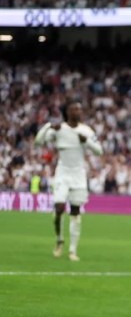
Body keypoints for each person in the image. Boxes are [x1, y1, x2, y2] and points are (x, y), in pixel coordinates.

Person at [33, 100, 104, 262]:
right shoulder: (60, 129)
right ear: (67, 112)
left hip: (79, 175)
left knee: (75, 211)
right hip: (62, 173)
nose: (77, 112)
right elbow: (38, 142)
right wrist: (48, 126)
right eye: (74, 109)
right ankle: (59, 240)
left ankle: (72, 250)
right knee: (59, 208)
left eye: (79, 109)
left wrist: (86, 141)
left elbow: (99, 151)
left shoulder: (86, 131)